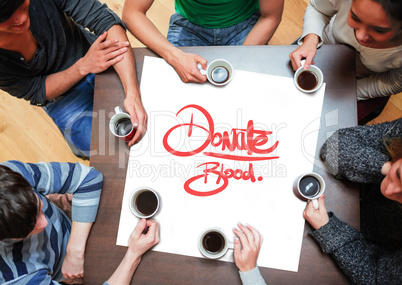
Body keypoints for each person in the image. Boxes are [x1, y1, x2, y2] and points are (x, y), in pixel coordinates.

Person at [0, 0, 147, 159]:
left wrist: (132, 93)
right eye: (6, 17)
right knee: (107, 151)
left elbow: (104, 20)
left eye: (22, 5)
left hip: (94, 53)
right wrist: (83, 66)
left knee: (151, 104)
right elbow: (37, 90)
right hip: (61, 96)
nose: (21, 18)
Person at [0, 160, 159, 284]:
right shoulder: (15, 278)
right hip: (73, 273)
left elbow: (88, 178)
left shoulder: (11, 175)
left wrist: (74, 251)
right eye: (30, 229)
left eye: (39, 207)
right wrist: (133, 255)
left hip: (73, 234)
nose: (44, 223)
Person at [303, 118, 402, 284]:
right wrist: (386, 168)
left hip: (371, 246)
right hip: (352, 198)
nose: (389, 191)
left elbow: (376, 279)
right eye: (399, 175)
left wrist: (329, 230)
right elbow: (335, 147)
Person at [289, 0, 402, 122]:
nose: (360, 36)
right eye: (355, 17)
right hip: (321, 46)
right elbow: (318, 8)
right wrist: (311, 39)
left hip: (367, 82)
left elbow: (393, 82)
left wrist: (349, 92)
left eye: (379, 30)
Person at [122, 0, 284, 83]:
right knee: (175, 96)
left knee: (250, 90)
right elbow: (132, 13)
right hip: (189, 24)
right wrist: (175, 57)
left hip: (244, 23)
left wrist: (242, 59)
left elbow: (270, 17)